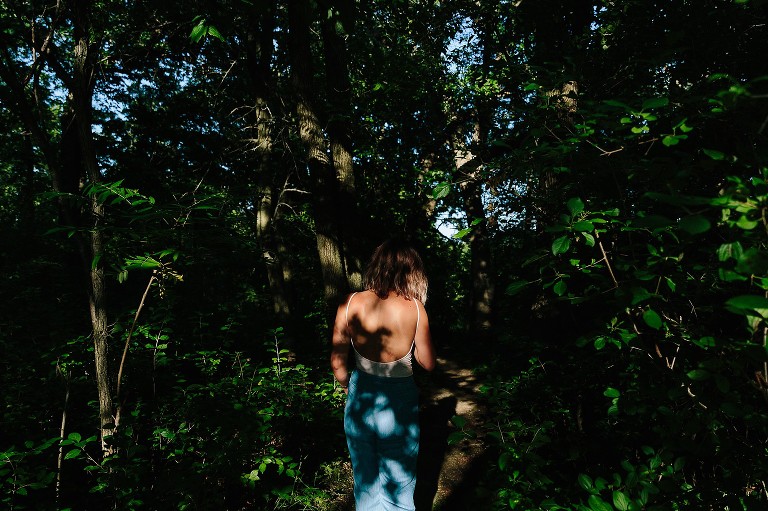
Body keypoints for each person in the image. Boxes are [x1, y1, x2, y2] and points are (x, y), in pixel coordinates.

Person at [330, 239, 437, 511]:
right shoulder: (415, 308)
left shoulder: (351, 302)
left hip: (361, 393)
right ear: (412, 271)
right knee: (399, 479)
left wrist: (350, 389)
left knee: (365, 477)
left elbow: (337, 362)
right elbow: (428, 363)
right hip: (399, 396)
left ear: (376, 266)